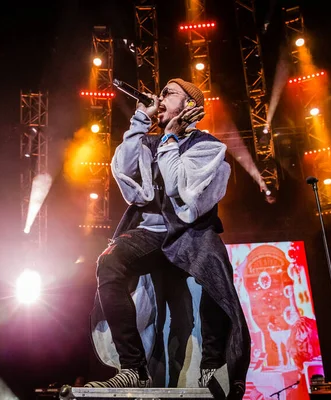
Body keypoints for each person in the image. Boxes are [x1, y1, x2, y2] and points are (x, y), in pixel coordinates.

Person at [84, 78, 251, 400]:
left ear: (190, 107)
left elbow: (179, 189)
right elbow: (125, 172)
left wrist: (172, 137)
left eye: (168, 94)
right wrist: (139, 122)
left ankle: (213, 365)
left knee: (214, 269)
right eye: (159, 95)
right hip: (151, 232)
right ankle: (133, 369)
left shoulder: (207, 147)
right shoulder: (148, 142)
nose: (159, 99)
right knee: (109, 261)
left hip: (191, 232)